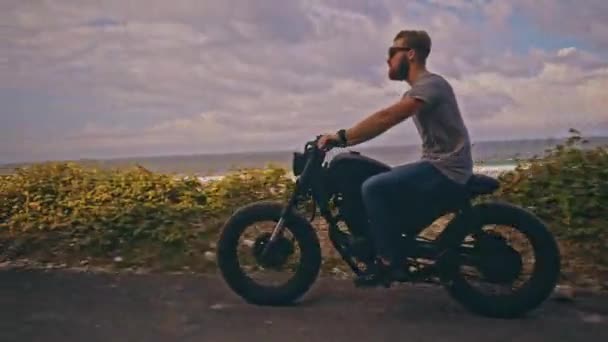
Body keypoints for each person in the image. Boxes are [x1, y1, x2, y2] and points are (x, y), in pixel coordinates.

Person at [317, 30, 474, 286]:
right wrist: (346, 140)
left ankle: (389, 262)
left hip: (446, 168)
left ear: (410, 54)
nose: (387, 60)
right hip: (438, 166)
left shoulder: (431, 85)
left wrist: (341, 137)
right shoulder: (420, 90)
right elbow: (384, 121)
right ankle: (393, 243)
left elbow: (386, 118)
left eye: (392, 52)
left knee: (374, 187)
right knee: (382, 181)